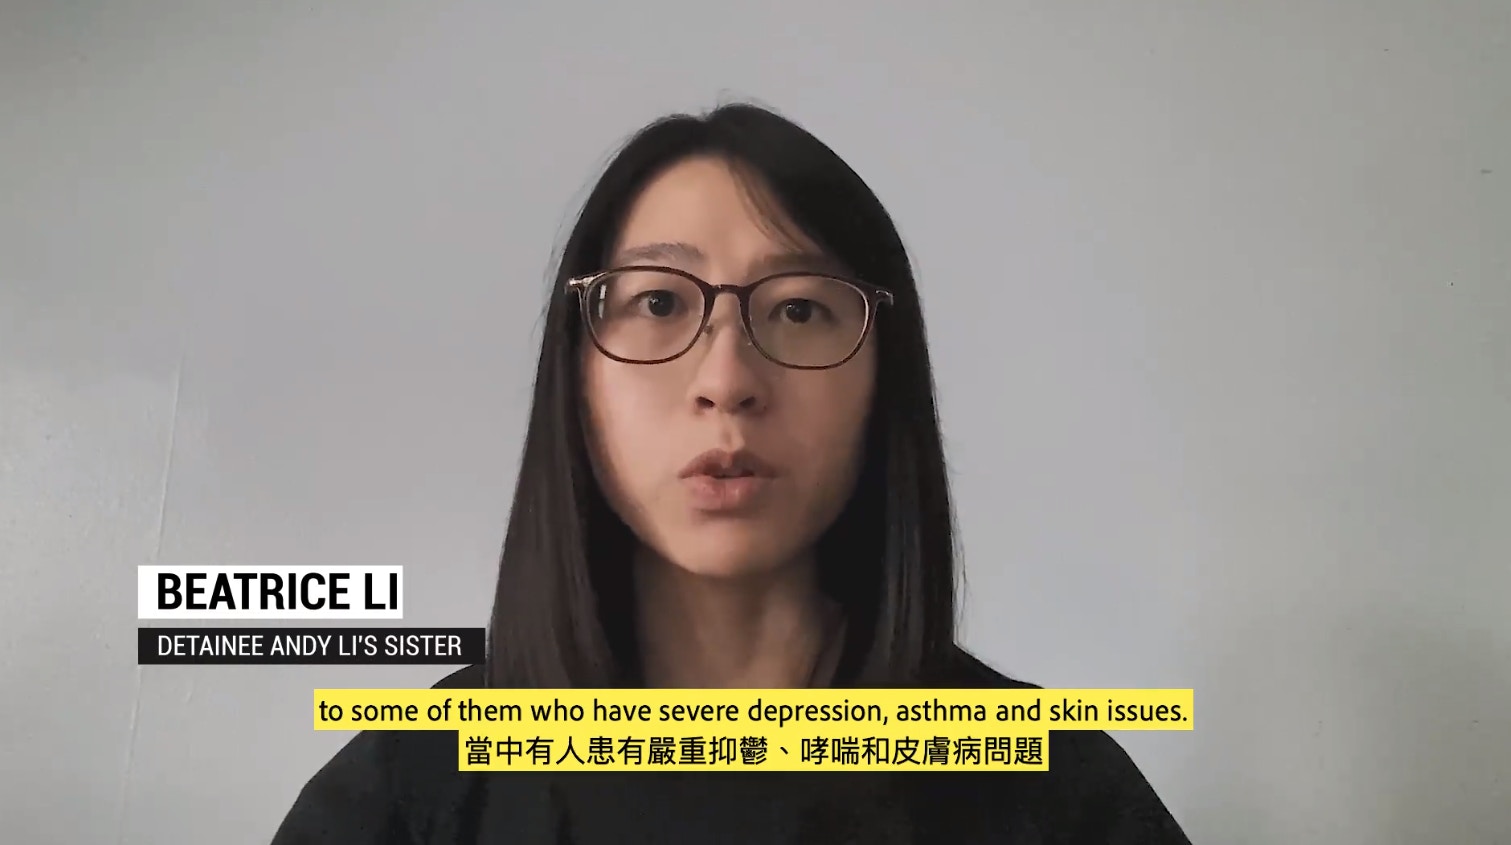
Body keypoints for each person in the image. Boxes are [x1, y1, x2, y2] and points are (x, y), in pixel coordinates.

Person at [271, 102, 1191, 844]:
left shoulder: (1055, 792)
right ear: (576, 377)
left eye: (798, 310)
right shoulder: (411, 792)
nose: (725, 379)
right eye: (657, 302)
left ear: (884, 378)